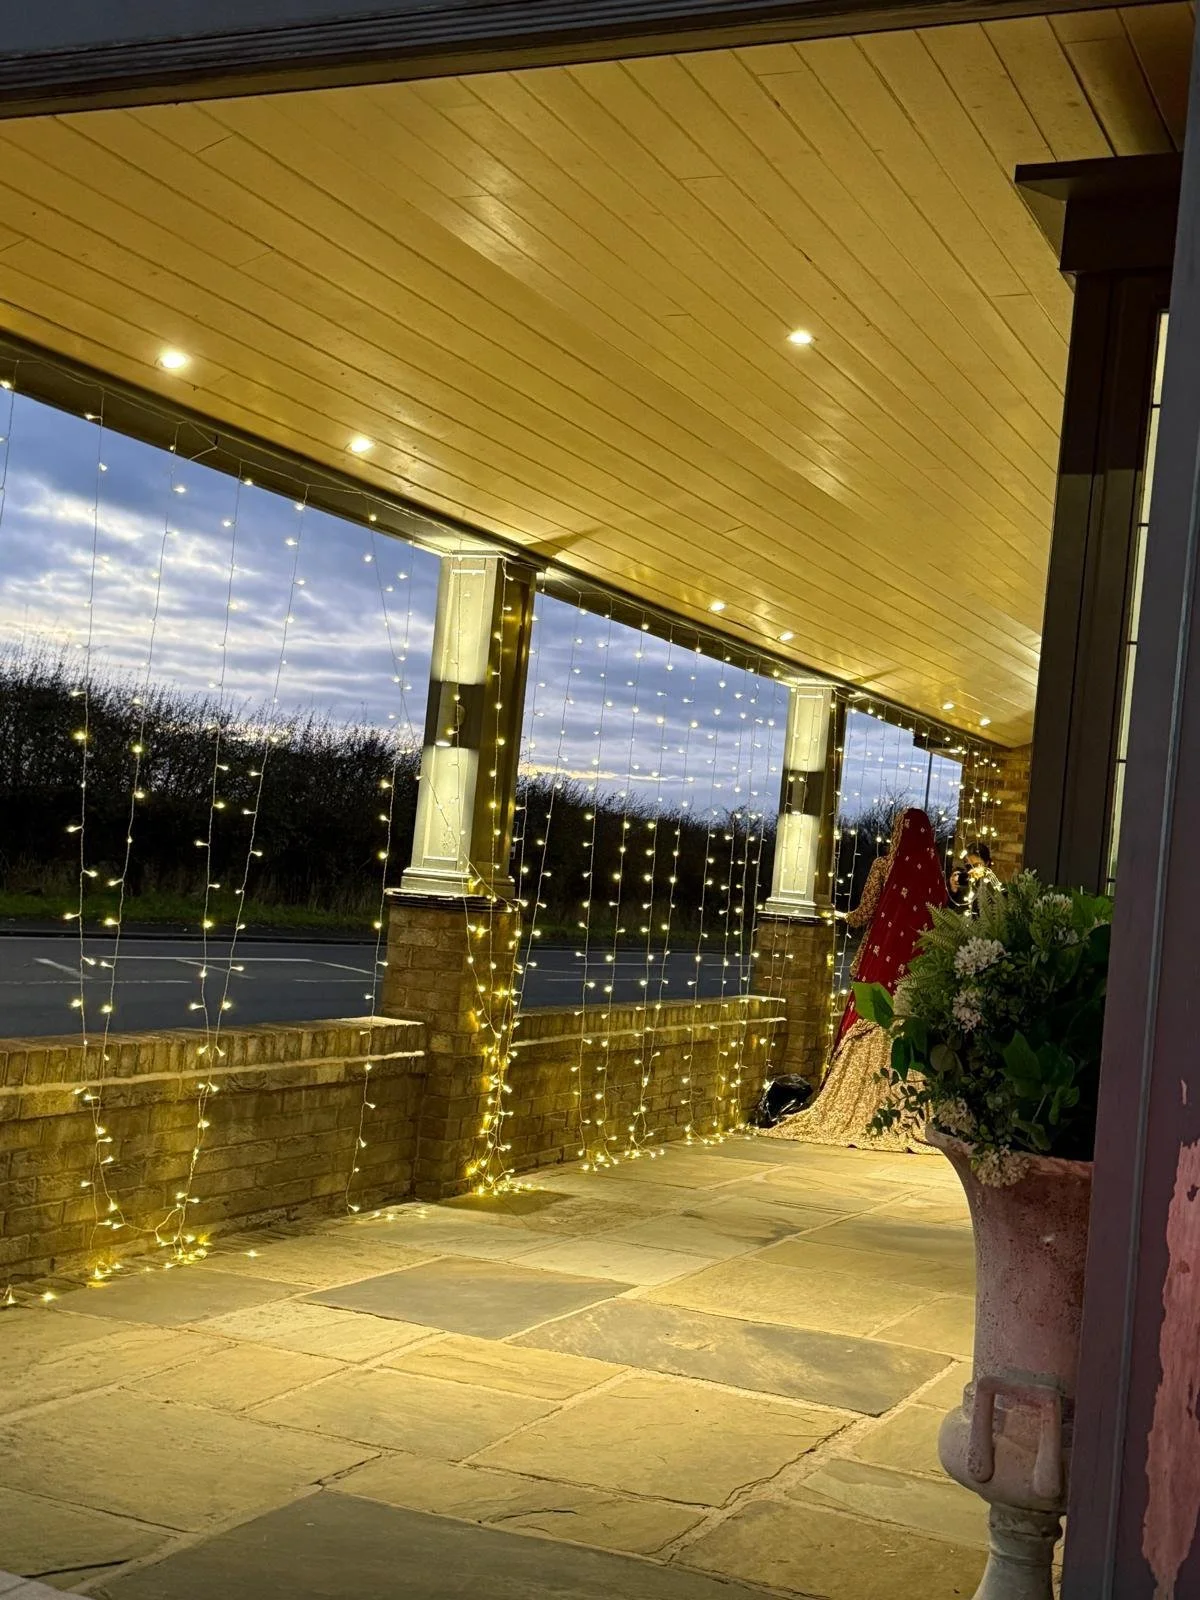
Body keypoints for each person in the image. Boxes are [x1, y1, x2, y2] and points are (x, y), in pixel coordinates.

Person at [766, 807, 948, 1152]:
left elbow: (863, 915)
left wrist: (836, 915)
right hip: (918, 973)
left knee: (869, 1018)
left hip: (878, 967)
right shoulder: (933, 875)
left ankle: (853, 1103)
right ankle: (910, 1113)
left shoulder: (884, 867)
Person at [950, 840, 1003, 918]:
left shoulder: (993, 886)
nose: (972, 870)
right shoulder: (963, 882)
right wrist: (953, 891)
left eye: (976, 865)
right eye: (968, 866)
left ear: (987, 863)